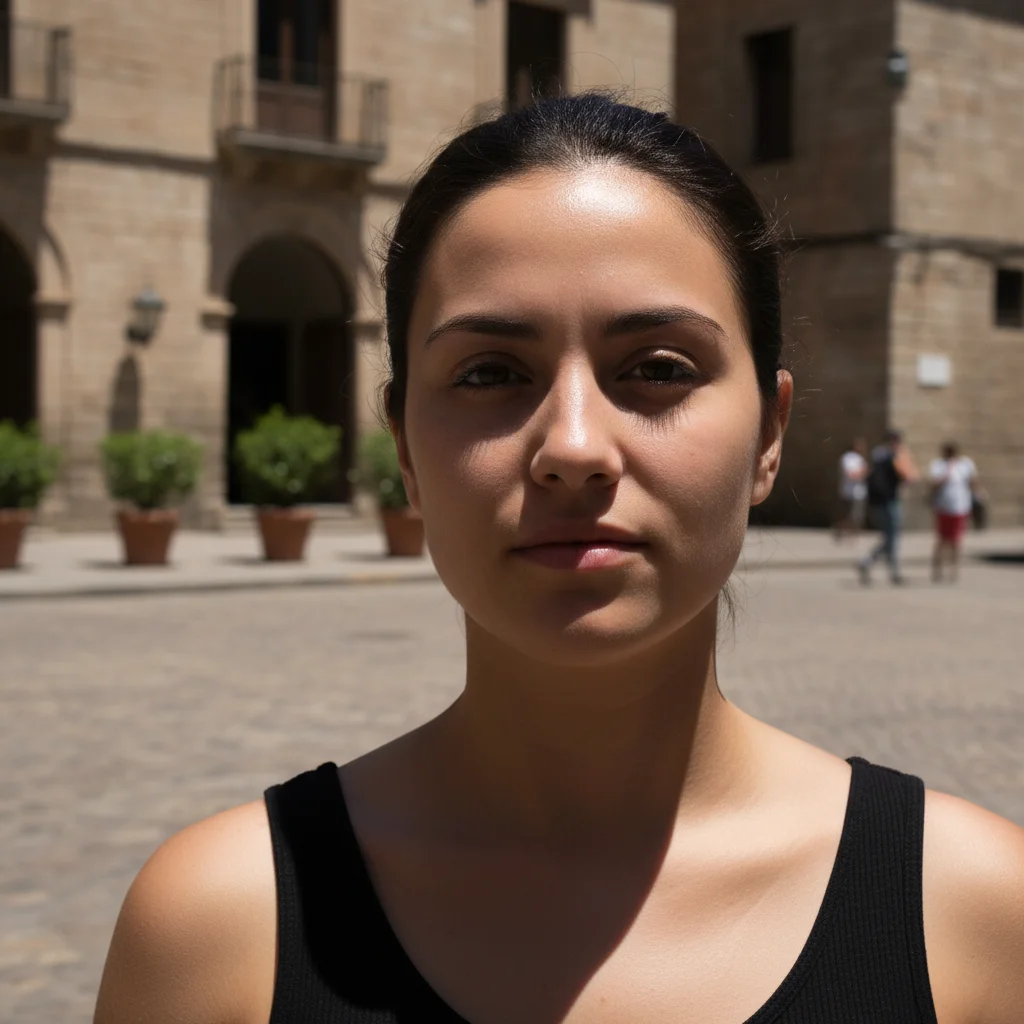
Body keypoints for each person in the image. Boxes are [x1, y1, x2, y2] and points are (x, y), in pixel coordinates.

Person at [94, 96, 1024, 1024]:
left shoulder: (976, 917)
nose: (574, 445)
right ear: (407, 451)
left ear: (770, 435)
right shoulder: (217, 933)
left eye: (658, 367)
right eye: (491, 373)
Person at [858, 429, 919, 585]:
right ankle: (875, 565)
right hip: (890, 502)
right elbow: (909, 476)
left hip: (876, 502)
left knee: (889, 538)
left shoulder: (877, 455)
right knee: (892, 538)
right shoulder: (895, 456)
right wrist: (907, 458)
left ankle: (885, 568)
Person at [929, 442, 978, 583]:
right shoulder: (938, 465)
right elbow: (934, 483)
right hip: (943, 508)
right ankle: (937, 569)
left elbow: (972, 482)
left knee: (956, 541)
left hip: (960, 507)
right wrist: (946, 473)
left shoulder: (965, 465)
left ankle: (954, 570)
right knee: (942, 540)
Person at [833, 438, 868, 541]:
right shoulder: (847, 458)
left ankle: (853, 535)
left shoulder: (860, 459)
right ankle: (841, 531)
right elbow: (851, 474)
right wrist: (861, 472)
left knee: (858, 516)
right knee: (848, 515)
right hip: (849, 492)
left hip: (859, 492)